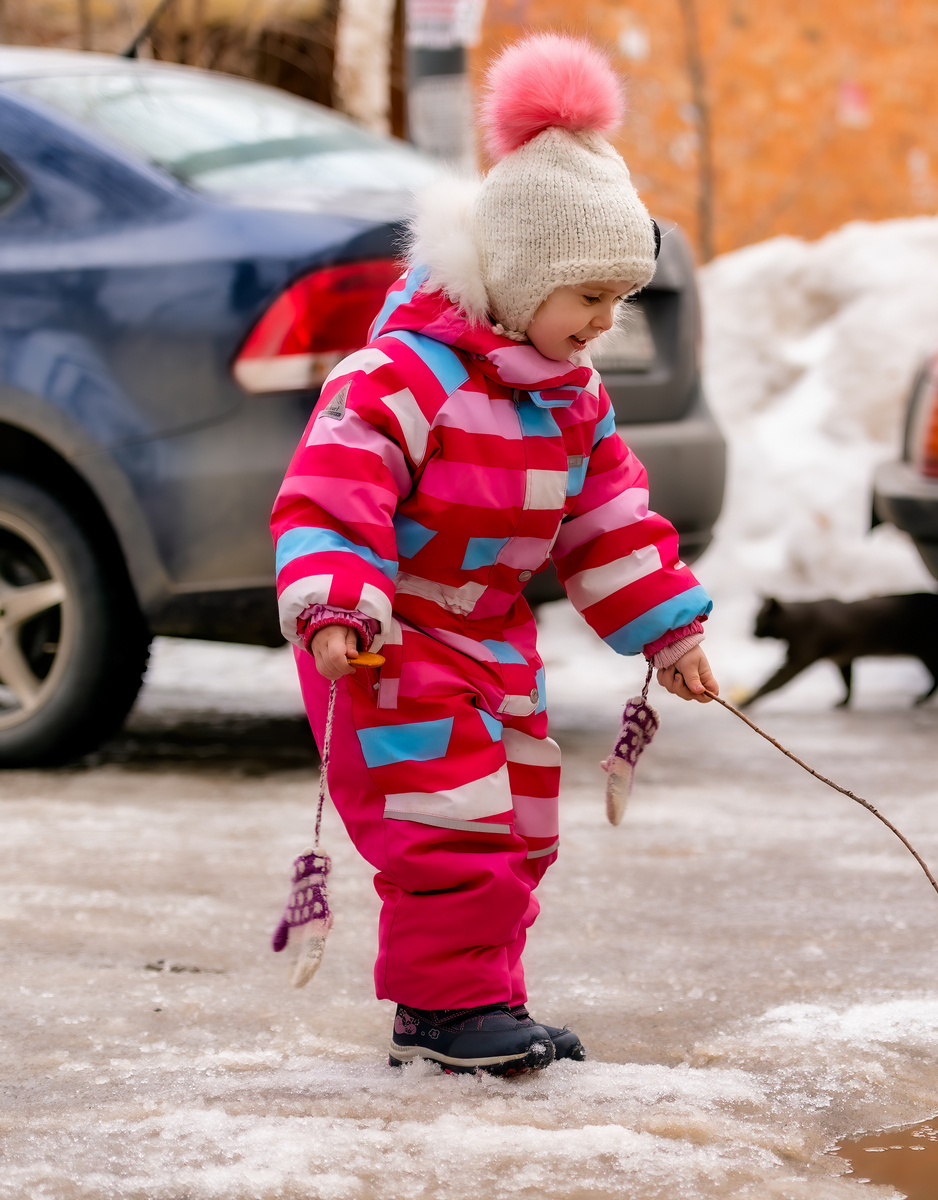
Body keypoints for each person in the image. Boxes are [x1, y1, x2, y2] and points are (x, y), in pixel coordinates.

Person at [270, 32, 717, 1075]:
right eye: (588, 298)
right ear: (517, 278)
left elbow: (609, 516)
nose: (605, 323)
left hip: (490, 637)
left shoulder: (571, 397)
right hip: (391, 638)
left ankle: (481, 999)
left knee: (516, 821)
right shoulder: (399, 380)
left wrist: (668, 630)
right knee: (448, 825)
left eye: (620, 300)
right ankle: (444, 1012)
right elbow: (330, 501)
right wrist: (339, 607)